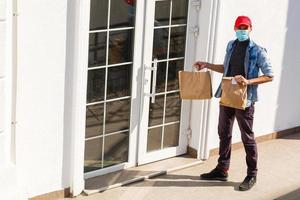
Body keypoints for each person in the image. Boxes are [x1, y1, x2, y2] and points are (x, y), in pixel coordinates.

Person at [193, 16, 274, 191]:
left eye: (245, 27)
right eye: (239, 27)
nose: (242, 30)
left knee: (247, 137)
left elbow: (269, 75)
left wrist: (249, 81)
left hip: (245, 99)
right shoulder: (231, 45)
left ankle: (252, 174)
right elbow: (226, 68)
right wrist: (206, 65)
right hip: (227, 94)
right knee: (223, 132)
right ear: (235, 28)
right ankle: (222, 169)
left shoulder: (258, 51)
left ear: (251, 28)